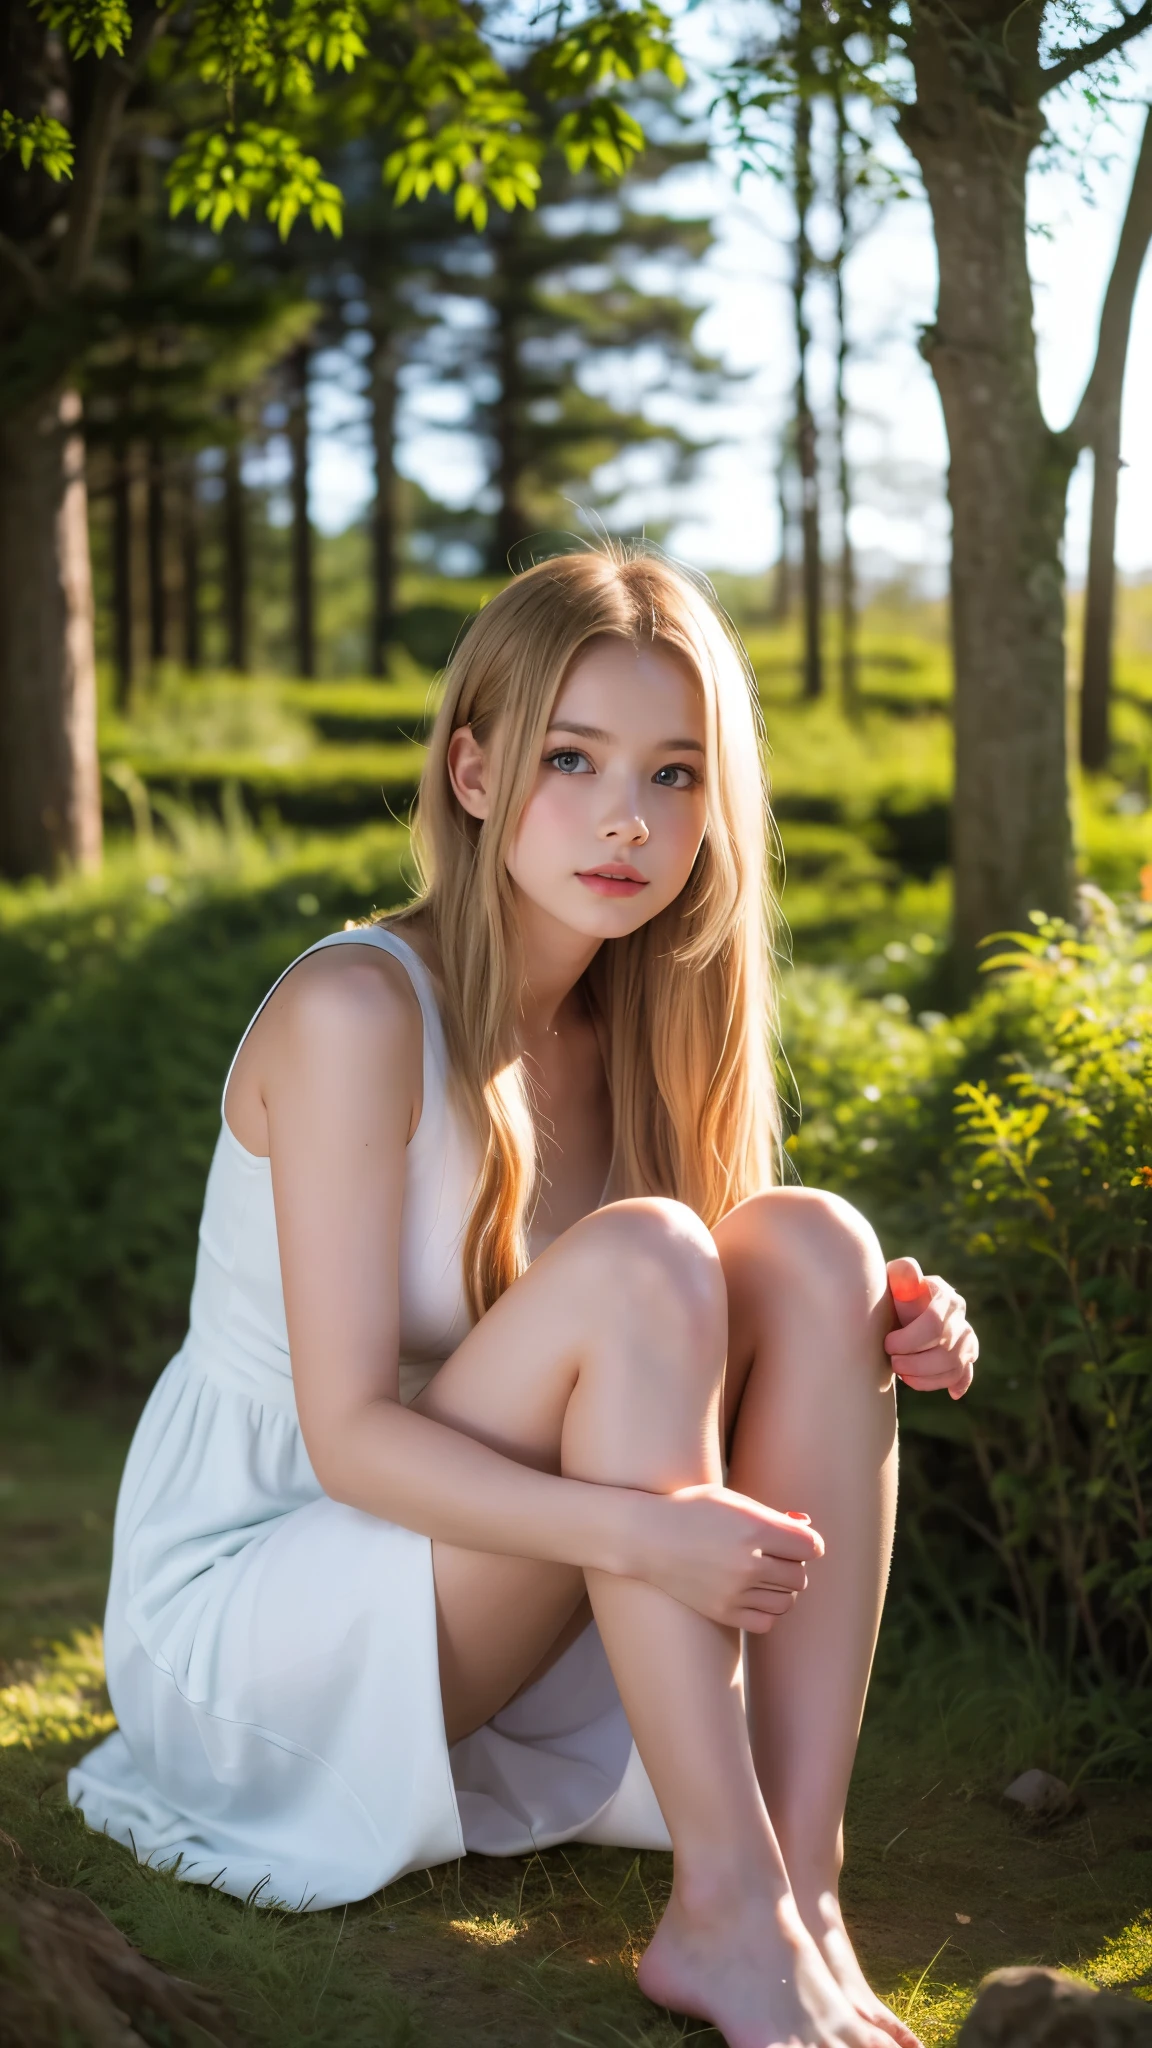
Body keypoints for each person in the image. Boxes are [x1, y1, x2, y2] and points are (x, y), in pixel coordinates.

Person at [70, 546, 978, 2048]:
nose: (630, 816)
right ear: (475, 769)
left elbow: (741, 1328)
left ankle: (793, 1886)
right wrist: (642, 1534)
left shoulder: (635, 1033)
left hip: (479, 1566)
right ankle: (729, 1901)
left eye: (675, 774)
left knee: (813, 1240)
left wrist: (897, 1324)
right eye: (575, 758)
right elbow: (353, 1438)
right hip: (260, 1597)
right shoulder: (356, 1010)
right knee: (647, 1259)